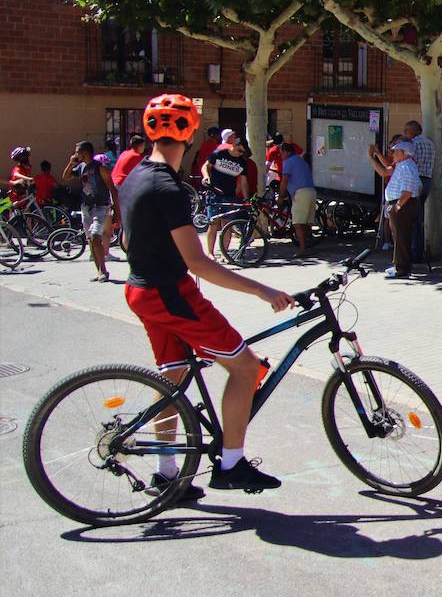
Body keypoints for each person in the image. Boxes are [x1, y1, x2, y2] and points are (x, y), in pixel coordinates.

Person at [122, 95, 293, 496]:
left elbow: (128, 240)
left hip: (139, 289)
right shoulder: (169, 188)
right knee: (246, 368)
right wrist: (263, 289)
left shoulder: (135, 177)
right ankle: (231, 464)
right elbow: (199, 263)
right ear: (191, 133)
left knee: (172, 377)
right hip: (171, 294)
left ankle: (166, 474)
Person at [63, 141, 118, 281]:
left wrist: (117, 209)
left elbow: (112, 188)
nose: (75, 154)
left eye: (77, 152)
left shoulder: (100, 168)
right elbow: (66, 177)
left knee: (95, 237)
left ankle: (103, 271)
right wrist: (71, 163)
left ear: (85, 152)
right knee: (90, 239)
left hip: (100, 207)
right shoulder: (81, 167)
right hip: (86, 207)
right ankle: (99, 270)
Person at [368, 138, 421, 279]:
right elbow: (384, 171)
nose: (393, 154)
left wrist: (397, 206)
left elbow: (407, 191)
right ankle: (399, 264)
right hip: (398, 204)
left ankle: (402, 268)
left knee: (401, 236)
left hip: (402, 204)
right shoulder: (402, 164)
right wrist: (373, 157)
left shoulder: (407, 166)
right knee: (398, 235)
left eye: (396, 151)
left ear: (404, 153)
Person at [201, 137, 248, 260]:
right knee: (213, 223)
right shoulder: (219, 154)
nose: (240, 153)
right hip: (214, 193)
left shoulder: (242, 162)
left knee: (227, 224)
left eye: (242, 152)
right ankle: (210, 253)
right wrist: (206, 177)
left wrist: (246, 199)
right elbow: (205, 166)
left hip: (229, 195)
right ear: (234, 145)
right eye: (239, 150)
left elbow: (243, 182)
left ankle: (224, 253)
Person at [402, 120, 435, 261]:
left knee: (412, 218)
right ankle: (418, 250)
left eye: (407, 130)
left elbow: (408, 162)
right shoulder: (430, 144)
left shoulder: (413, 144)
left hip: (416, 180)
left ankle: (414, 252)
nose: (405, 133)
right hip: (427, 179)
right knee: (418, 216)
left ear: (413, 131)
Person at [278, 142, 316, 257]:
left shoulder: (288, 162)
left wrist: (281, 197)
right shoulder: (301, 161)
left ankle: (302, 249)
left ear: (286, 152)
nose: (281, 155)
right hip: (311, 191)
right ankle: (307, 246)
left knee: (298, 223)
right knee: (305, 223)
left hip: (301, 192)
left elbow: (284, 180)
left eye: (281, 153)